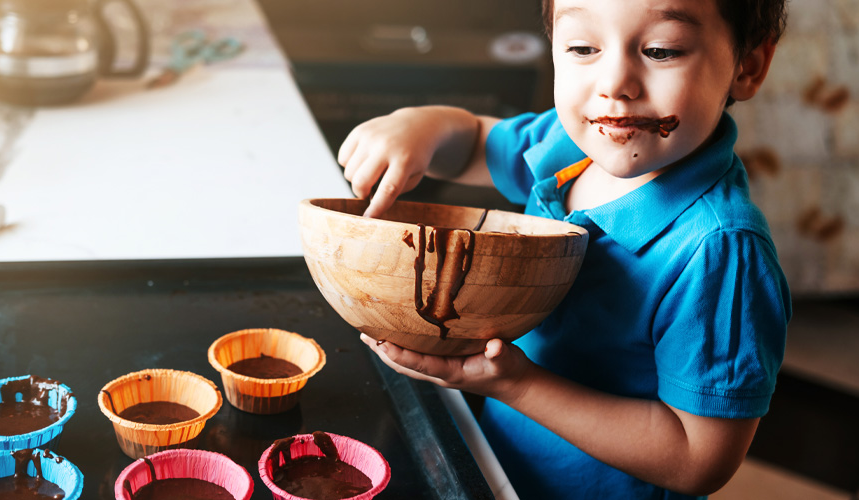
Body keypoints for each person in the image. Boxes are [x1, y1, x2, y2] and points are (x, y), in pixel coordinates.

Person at [337, 0, 792, 498]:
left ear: (747, 67)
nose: (614, 83)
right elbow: (473, 144)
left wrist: (516, 385)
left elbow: (697, 458)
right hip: (499, 467)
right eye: (582, 47)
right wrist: (420, 127)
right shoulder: (576, 145)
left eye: (662, 51)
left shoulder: (720, 253)